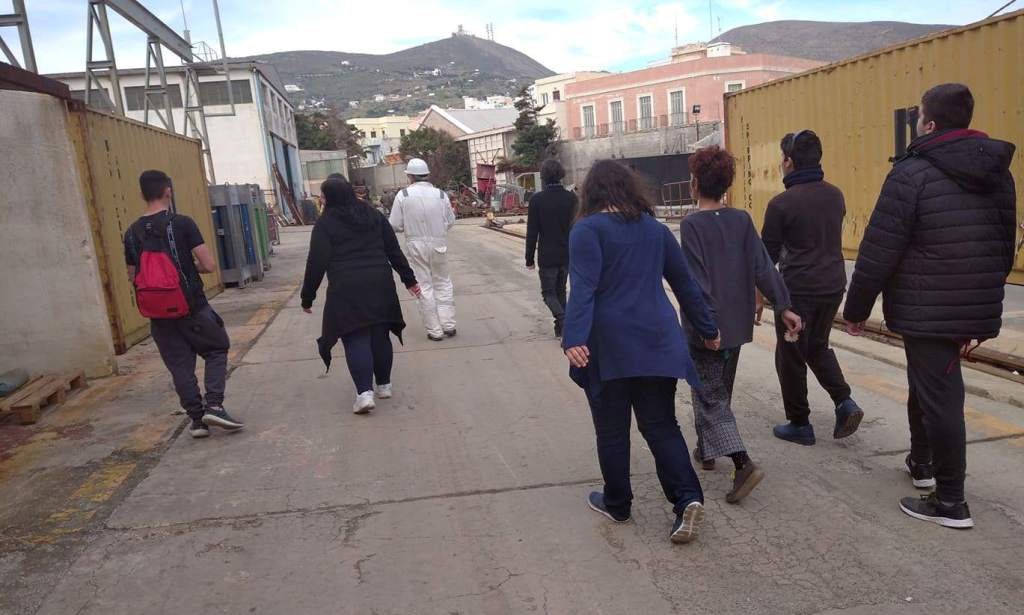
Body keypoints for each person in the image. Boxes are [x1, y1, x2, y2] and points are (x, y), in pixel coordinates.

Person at [844, 84, 1017, 529]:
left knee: (941, 398)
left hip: (927, 305)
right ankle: (921, 463)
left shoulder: (911, 172)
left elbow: (879, 250)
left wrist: (857, 310)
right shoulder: (998, 172)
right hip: (968, 300)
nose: (917, 123)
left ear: (930, 124)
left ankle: (951, 501)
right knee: (926, 384)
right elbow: (1005, 245)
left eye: (919, 116)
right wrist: (981, 292)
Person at [562, 159, 720, 544]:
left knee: (612, 429)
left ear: (591, 192)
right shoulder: (655, 230)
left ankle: (618, 503)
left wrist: (574, 338)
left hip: (609, 346)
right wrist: (708, 328)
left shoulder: (586, 230)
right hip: (657, 342)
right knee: (661, 424)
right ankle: (687, 499)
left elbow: (583, 288)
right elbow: (686, 285)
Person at [679, 147, 803, 503]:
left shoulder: (691, 225)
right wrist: (784, 306)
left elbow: (697, 282)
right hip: (736, 324)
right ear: (727, 184)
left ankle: (742, 463)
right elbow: (763, 266)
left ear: (695, 183)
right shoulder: (741, 220)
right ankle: (706, 450)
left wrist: (707, 327)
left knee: (710, 396)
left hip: (707, 329)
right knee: (719, 390)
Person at [761, 130, 863, 446]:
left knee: (790, 354)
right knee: (816, 345)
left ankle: (800, 423)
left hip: (798, 291)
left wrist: (759, 293)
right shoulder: (835, 195)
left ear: (789, 162)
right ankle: (845, 402)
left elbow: (766, 257)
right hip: (832, 286)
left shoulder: (781, 204)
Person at [124, 170, 244, 438]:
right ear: (168, 191)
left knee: (180, 365)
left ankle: (197, 421)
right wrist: (190, 267)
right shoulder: (182, 223)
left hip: (157, 313)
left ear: (142, 194)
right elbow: (209, 265)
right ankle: (214, 405)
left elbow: (133, 275)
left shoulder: (131, 233)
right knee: (216, 348)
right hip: (191, 306)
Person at [301, 176, 421, 414]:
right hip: (380, 281)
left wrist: (308, 296)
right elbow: (393, 250)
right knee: (379, 333)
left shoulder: (326, 223)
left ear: (330, 197)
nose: (321, 200)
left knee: (355, 336)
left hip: (347, 287)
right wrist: (409, 279)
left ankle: (364, 394)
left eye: (323, 196)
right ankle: (384, 385)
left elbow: (316, 262)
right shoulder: (373, 215)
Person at [389, 158, 457, 341]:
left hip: (415, 245)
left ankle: (435, 330)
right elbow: (450, 221)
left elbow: (394, 224)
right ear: (426, 174)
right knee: (443, 283)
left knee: (424, 286)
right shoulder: (441, 195)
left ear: (410, 176)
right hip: (439, 244)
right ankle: (448, 324)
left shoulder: (403, 195)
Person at [525, 158, 577, 337]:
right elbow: (577, 227)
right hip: (567, 253)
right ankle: (561, 328)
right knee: (560, 291)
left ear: (543, 176)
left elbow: (532, 232)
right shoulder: (572, 198)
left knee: (548, 293)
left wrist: (529, 258)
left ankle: (563, 320)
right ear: (561, 174)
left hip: (547, 255)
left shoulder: (537, 200)